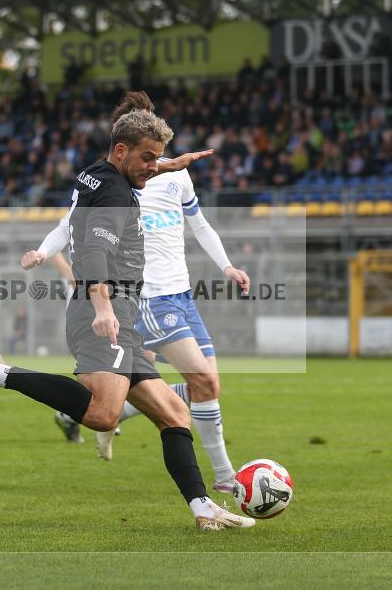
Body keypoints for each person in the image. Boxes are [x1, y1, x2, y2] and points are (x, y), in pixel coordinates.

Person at [0, 109, 254, 531]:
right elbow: (92, 255)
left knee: (175, 412)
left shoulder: (98, 174)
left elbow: (101, 199)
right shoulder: (115, 196)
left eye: (157, 158)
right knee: (104, 414)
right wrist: (104, 308)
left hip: (123, 314)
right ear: (122, 151)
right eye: (147, 158)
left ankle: (203, 509)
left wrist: (168, 166)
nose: (152, 166)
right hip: (105, 311)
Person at [22, 91, 248, 493]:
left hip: (181, 291)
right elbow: (74, 224)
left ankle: (96, 412)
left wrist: (227, 265)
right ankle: (224, 478)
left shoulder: (169, 173)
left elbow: (199, 224)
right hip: (147, 294)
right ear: (123, 140)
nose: (151, 162)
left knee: (199, 385)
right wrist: (43, 251)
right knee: (204, 384)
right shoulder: (118, 181)